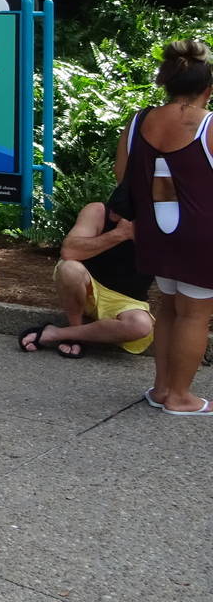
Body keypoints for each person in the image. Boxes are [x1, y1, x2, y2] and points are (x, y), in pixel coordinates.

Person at [117, 38, 213, 415]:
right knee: (196, 314)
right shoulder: (206, 125)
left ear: (166, 83)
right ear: (208, 88)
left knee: (170, 308)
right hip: (201, 234)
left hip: (155, 231)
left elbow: (121, 173)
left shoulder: (139, 120)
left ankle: (161, 389)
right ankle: (181, 397)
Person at [16, 200, 152, 359]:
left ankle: (57, 333)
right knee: (69, 269)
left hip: (126, 301)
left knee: (140, 325)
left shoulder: (165, 225)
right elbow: (68, 251)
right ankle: (75, 330)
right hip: (88, 287)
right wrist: (120, 234)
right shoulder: (97, 211)